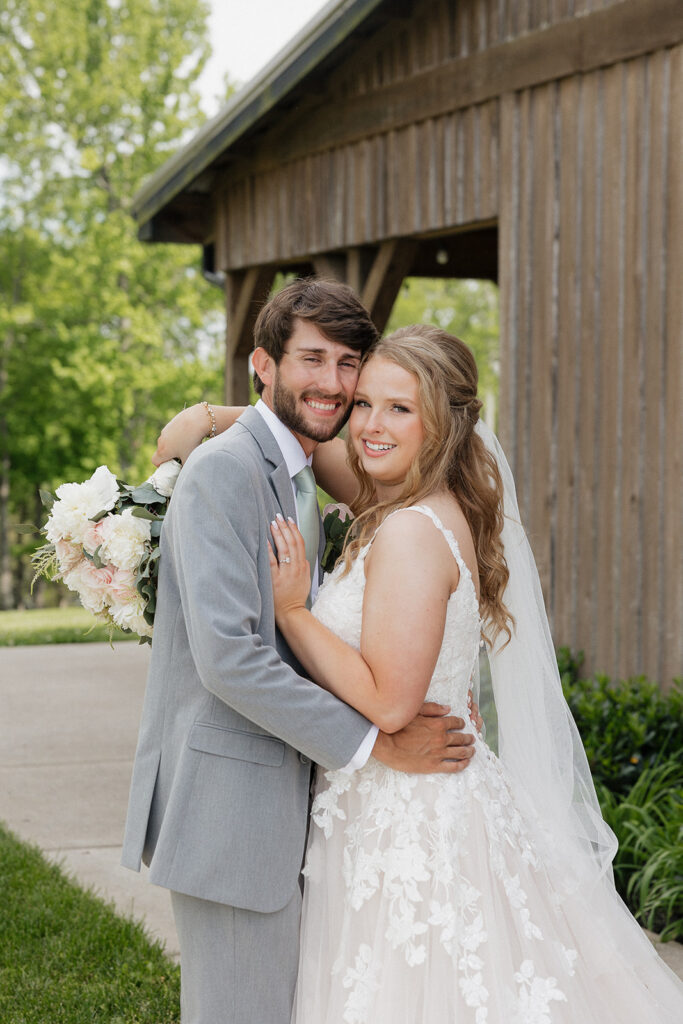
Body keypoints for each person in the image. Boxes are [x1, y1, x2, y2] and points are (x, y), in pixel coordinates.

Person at [162, 323, 683, 1022]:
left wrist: (292, 614)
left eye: (399, 409)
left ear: (443, 424)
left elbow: (389, 700)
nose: (371, 426)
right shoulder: (409, 500)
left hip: (409, 817)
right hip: (395, 801)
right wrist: (222, 417)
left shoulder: (408, 531)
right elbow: (312, 450)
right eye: (364, 403)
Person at [121, 280, 481, 1024]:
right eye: (311, 359)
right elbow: (230, 659)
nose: (333, 383)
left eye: (349, 364)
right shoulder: (229, 472)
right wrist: (374, 744)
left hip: (289, 808)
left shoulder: (300, 473)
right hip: (231, 810)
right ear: (264, 363)